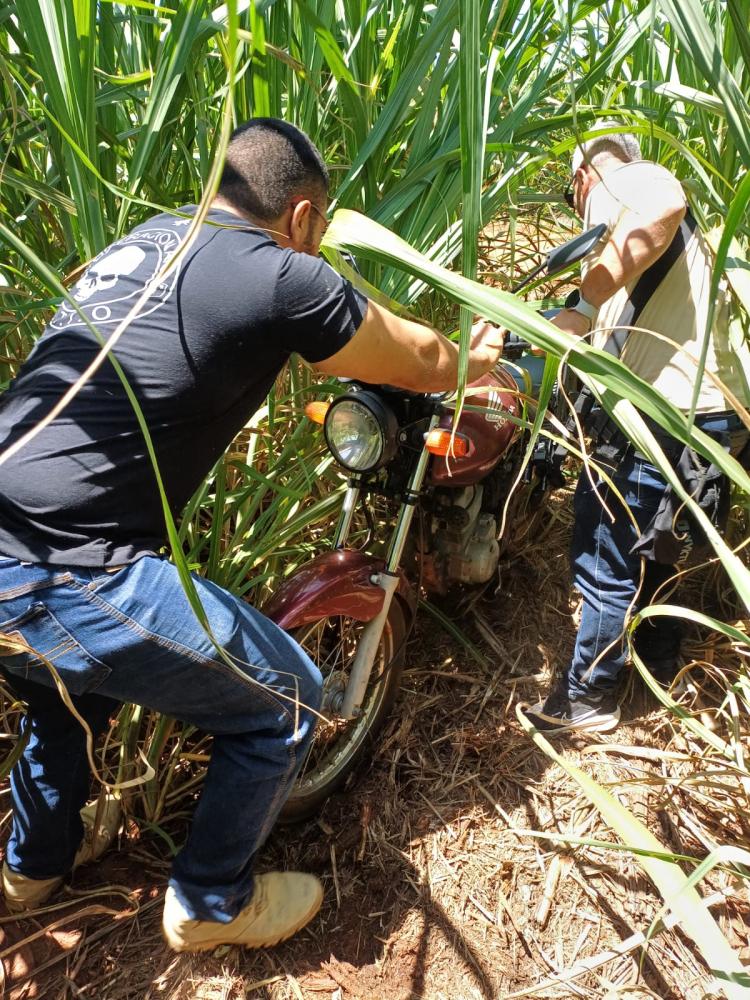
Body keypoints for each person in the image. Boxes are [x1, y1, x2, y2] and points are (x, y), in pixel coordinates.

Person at [0, 118, 503, 950]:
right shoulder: (278, 274)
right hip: (66, 567)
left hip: (11, 542)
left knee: (63, 702)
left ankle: (31, 868)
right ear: (302, 218)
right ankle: (209, 903)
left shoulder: (150, 238)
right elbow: (411, 357)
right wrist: (473, 360)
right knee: (286, 698)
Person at [524, 123, 750, 734]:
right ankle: (659, 666)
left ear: (581, 179)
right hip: (709, 418)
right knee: (666, 548)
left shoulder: (621, 181)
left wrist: (586, 297)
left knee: (606, 554)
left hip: (658, 416)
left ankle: (588, 700)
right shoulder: (673, 261)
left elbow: (661, 202)